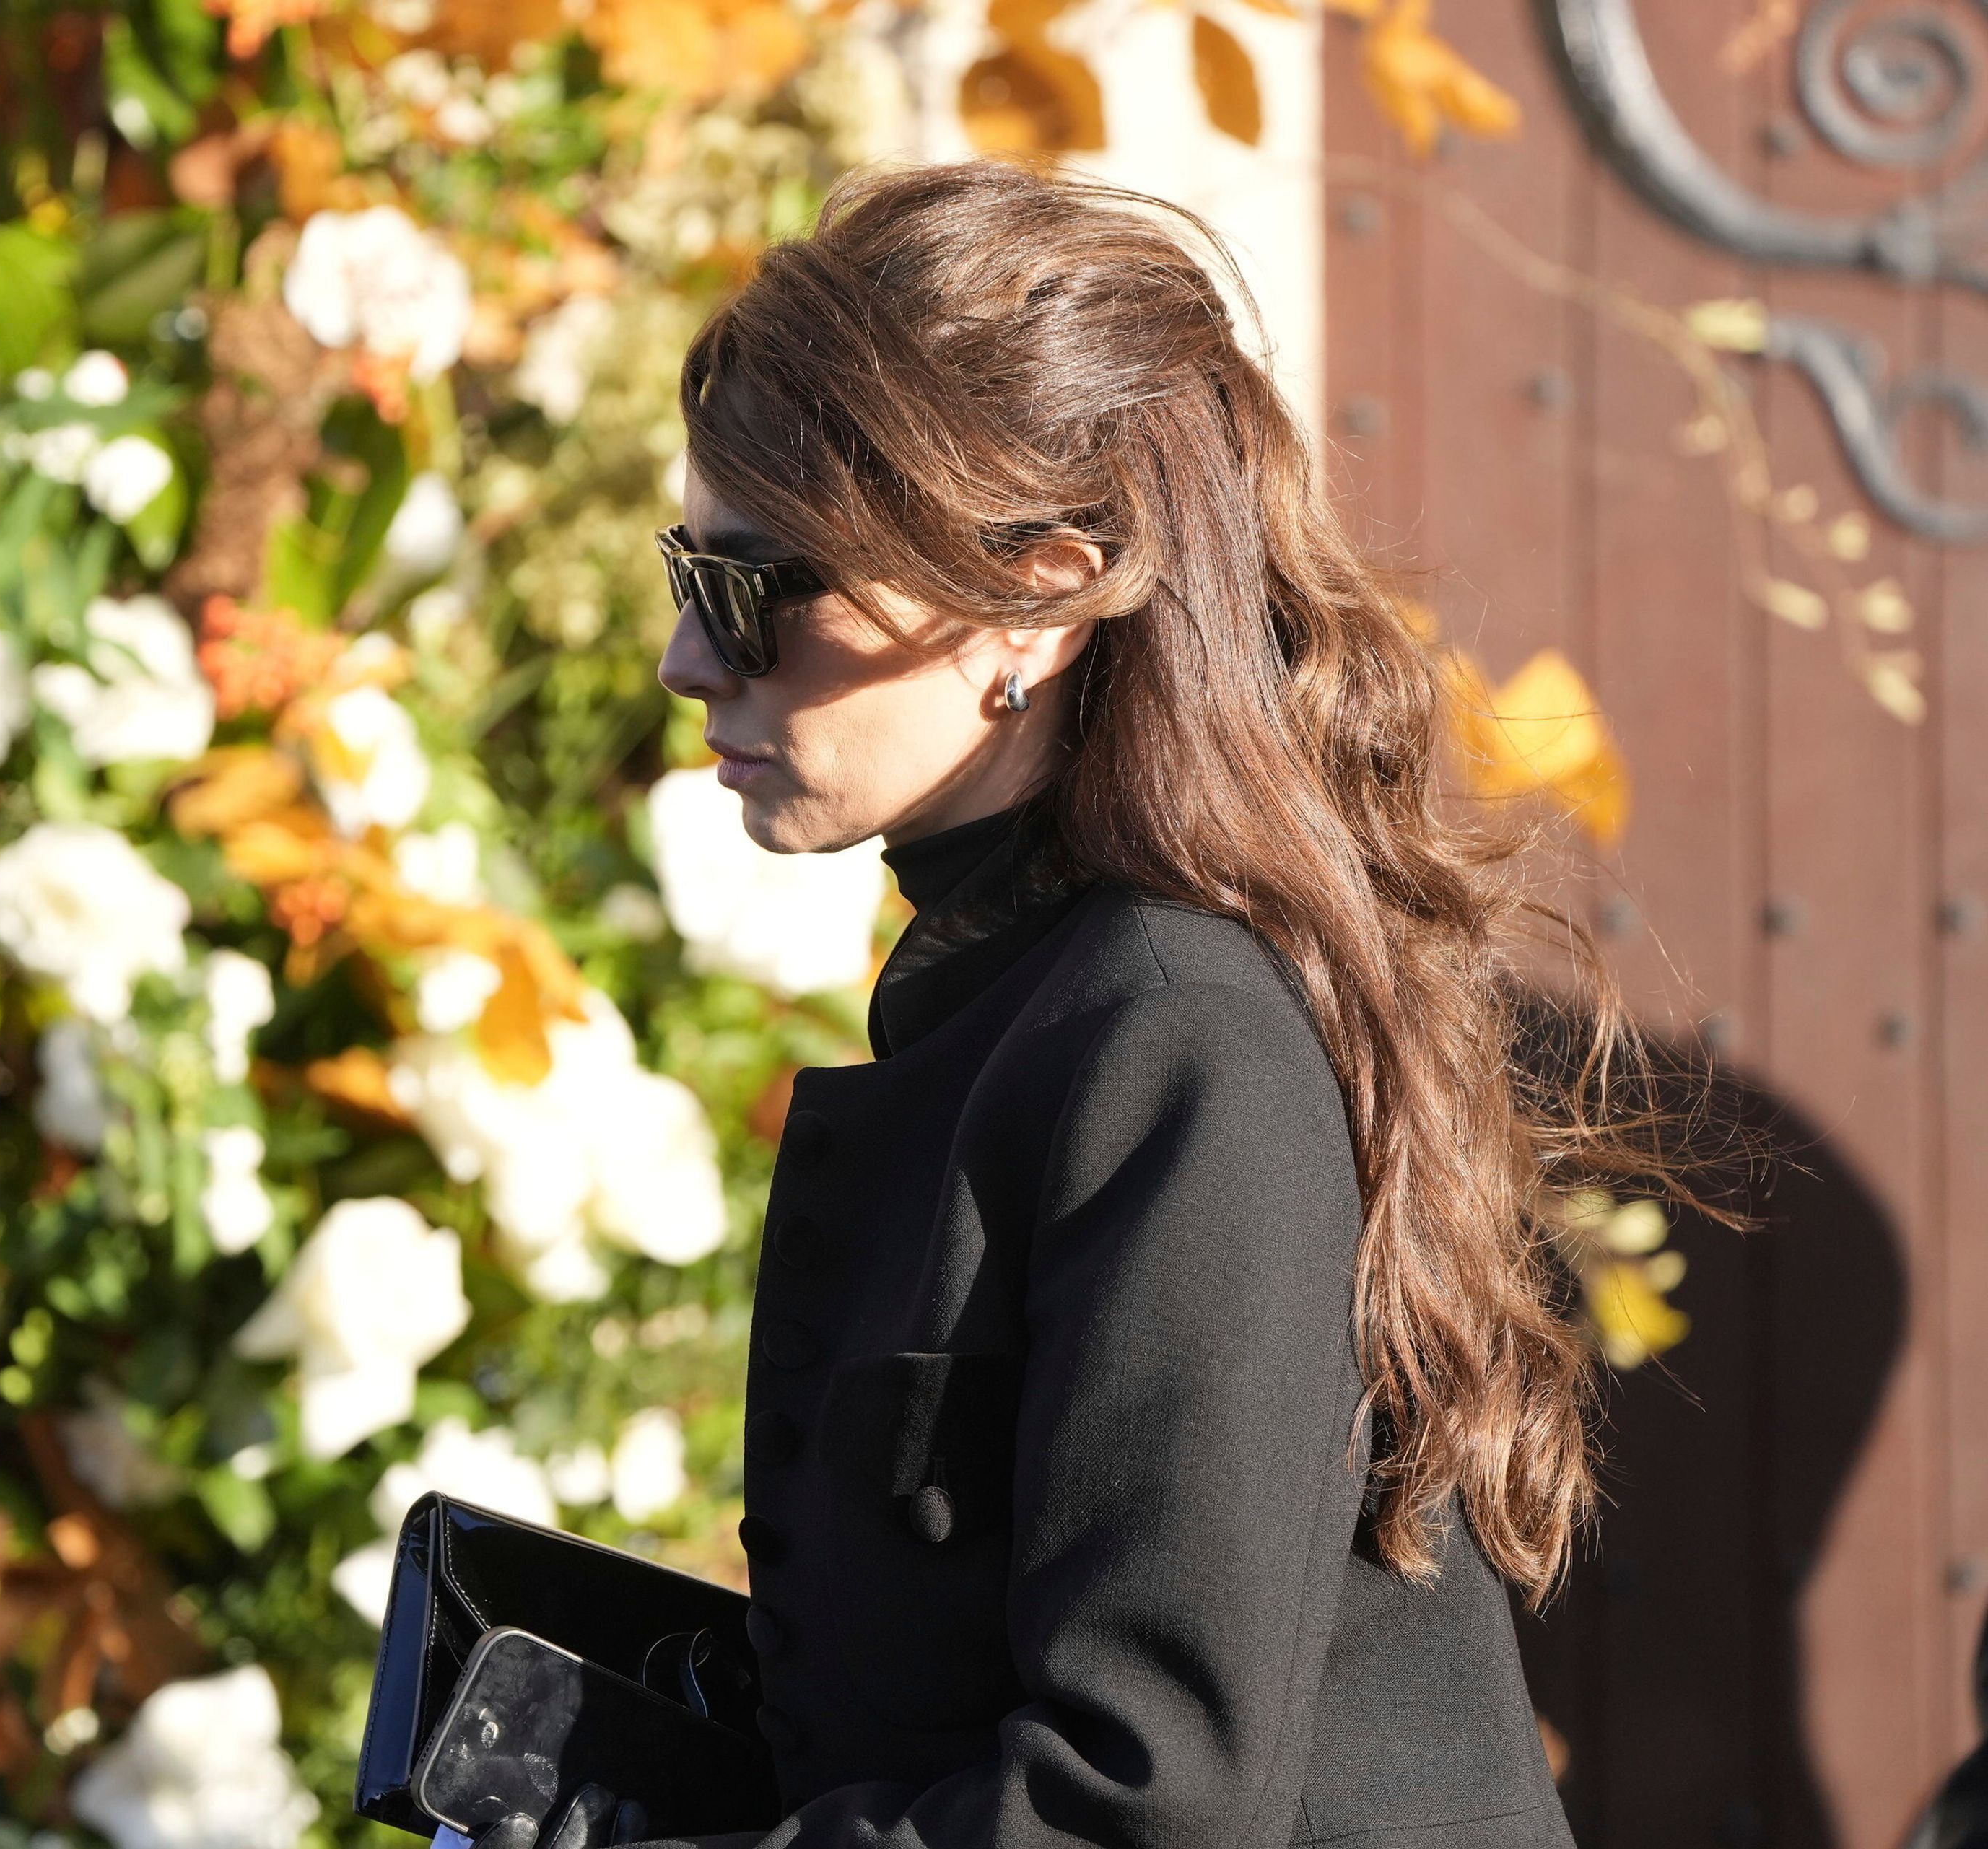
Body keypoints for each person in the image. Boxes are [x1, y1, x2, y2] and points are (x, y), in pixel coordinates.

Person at [515, 160, 1701, 1849]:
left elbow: (1145, 1793)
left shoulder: (1171, 1034)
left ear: (1041, 597)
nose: (689, 663)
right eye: (682, 571)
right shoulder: (1038, 994)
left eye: (754, 588)